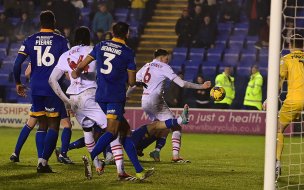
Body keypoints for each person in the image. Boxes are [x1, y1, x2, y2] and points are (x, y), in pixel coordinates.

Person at [49, 26, 136, 180]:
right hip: (91, 95)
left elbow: (52, 80)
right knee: (112, 131)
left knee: (88, 130)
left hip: (74, 98)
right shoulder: (96, 49)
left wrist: (66, 100)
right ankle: (120, 171)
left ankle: (96, 165)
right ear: (89, 37)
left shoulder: (65, 55)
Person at [71, 22, 154, 180]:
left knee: (126, 132)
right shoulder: (128, 52)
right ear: (127, 34)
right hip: (115, 97)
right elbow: (130, 81)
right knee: (112, 131)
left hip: (101, 96)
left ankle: (139, 170)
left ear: (112, 32)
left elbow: (83, 64)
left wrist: (76, 72)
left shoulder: (101, 45)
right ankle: (92, 158)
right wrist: (136, 82)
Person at [129, 49, 211, 162]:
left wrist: (125, 96)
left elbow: (133, 83)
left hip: (144, 101)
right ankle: (175, 156)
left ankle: (149, 149)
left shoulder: (146, 66)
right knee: (175, 126)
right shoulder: (163, 66)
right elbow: (181, 83)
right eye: (167, 59)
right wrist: (201, 86)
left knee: (159, 127)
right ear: (162, 58)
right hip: (156, 100)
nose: (167, 61)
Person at [13, 10, 70, 173]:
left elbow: (17, 65)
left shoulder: (30, 39)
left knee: (41, 124)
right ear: (54, 22)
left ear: (40, 22)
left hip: (36, 88)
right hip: (53, 87)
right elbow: (67, 65)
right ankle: (43, 162)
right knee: (54, 125)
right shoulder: (61, 40)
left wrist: (18, 83)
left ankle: (40, 159)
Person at [271, 35, 304, 178]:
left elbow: (279, 80)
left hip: (295, 100)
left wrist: (270, 98)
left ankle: (276, 162)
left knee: (278, 129)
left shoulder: (286, 59)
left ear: (290, 45)